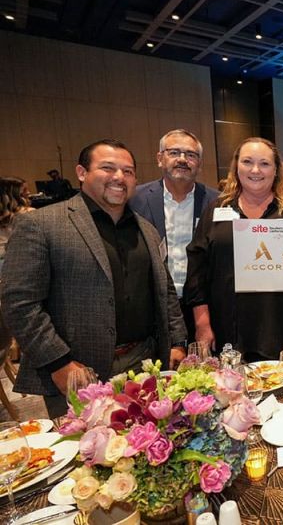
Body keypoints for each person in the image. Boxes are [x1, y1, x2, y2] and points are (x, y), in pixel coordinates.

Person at [0, 139, 187, 417]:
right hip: (78, 371)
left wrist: (176, 341)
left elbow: (164, 290)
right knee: (87, 454)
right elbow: (20, 303)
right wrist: (58, 363)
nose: (119, 178)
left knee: (144, 447)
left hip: (144, 363)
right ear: (81, 172)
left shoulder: (146, 230)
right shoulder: (41, 225)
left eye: (128, 171)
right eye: (107, 168)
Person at [184, 137, 283, 361]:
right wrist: (202, 323)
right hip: (227, 330)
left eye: (264, 163)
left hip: (279, 330)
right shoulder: (216, 210)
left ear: (276, 170)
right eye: (247, 162)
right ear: (236, 167)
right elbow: (197, 273)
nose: (255, 170)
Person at [129, 129, 219, 342]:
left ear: (199, 163)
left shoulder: (219, 203)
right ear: (160, 158)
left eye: (190, 155)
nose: (182, 160)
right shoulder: (135, 200)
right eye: (174, 152)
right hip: (153, 307)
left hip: (204, 308)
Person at [0, 176, 34, 273]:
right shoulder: (28, 213)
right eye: (24, 190)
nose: (28, 192)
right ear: (12, 194)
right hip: (16, 263)